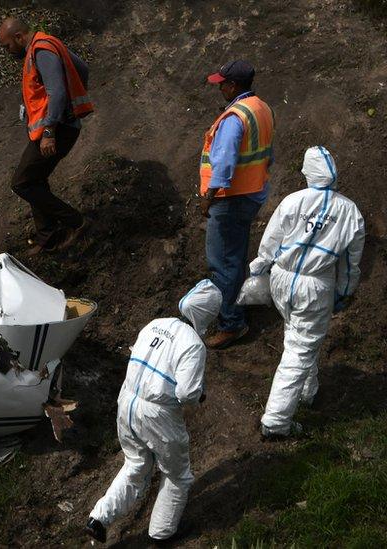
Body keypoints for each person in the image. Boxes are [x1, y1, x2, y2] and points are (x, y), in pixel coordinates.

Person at [85, 280, 222, 543]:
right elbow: (187, 394)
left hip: (127, 402)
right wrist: (199, 393)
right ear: (208, 315)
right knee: (177, 475)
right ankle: (162, 532)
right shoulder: (193, 344)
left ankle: (99, 518)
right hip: (157, 414)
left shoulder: (155, 324)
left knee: (135, 464)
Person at [247, 146, 365, 439]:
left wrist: (259, 269)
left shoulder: (292, 201)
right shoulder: (350, 212)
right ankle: (275, 422)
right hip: (314, 286)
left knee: (297, 333)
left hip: (282, 280)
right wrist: (344, 292)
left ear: (307, 173)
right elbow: (351, 263)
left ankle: (306, 393)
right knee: (300, 350)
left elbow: (270, 242)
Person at [0, 17, 92, 256]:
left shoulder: (41, 50)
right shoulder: (46, 45)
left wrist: (50, 129)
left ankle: (75, 222)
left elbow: (57, 91)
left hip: (57, 130)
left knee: (22, 183)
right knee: (34, 179)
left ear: (19, 37)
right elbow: (82, 68)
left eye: (8, 46)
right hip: (56, 127)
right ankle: (47, 238)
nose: (8, 52)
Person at [199, 60, 275, 349]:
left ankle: (231, 323)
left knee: (222, 264)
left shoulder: (234, 117)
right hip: (252, 194)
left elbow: (225, 165)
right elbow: (269, 154)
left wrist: (208, 199)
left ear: (233, 85)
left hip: (228, 200)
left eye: (222, 83)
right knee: (235, 256)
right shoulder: (262, 108)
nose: (219, 88)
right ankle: (237, 307)